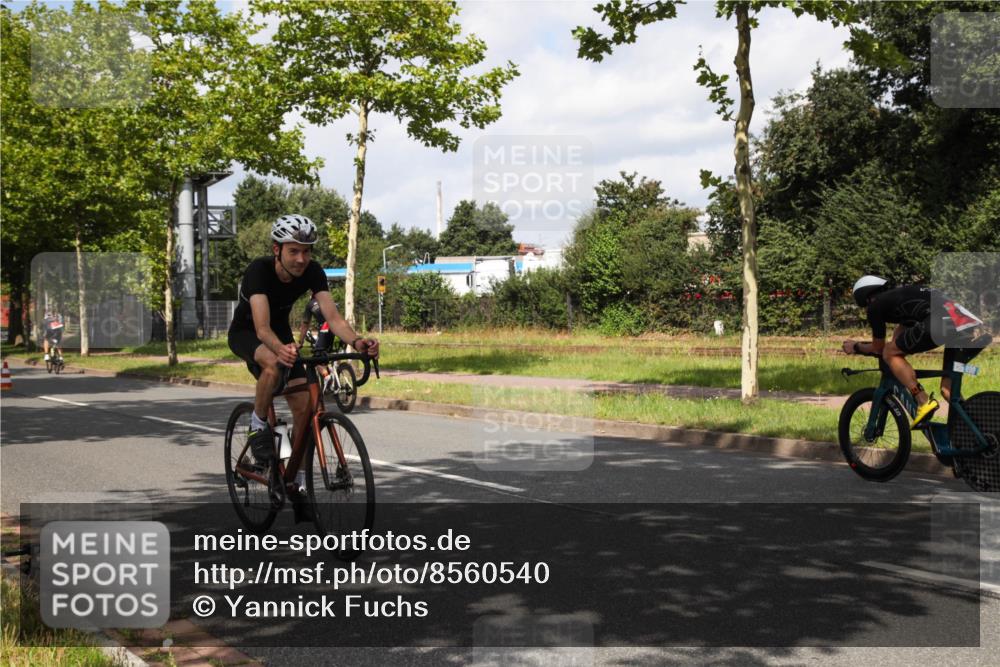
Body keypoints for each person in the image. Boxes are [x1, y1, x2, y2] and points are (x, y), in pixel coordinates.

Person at [228, 214, 379, 473]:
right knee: (273, 364)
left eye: (306, 252)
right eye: (293, 251)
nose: (301, 259)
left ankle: (292, 477)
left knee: (304, 410)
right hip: (247, 332)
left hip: (280, 333)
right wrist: (281, 349)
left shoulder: (313, 271)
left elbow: (333, 318)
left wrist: (357, 342)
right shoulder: (259, 271)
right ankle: (258, 426)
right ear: (277, 250)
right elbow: (262, 329)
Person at [842, 275, 982, 430]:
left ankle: (922, 400)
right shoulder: (902, 298)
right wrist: (894, 357)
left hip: (942, 321)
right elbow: (897, 341)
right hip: (966, 323)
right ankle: (979, 428)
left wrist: (856, 347)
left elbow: (879, 348)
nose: (866, 309)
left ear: (866, 298)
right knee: (947, 390)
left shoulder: (875, 306)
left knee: (889, 353)